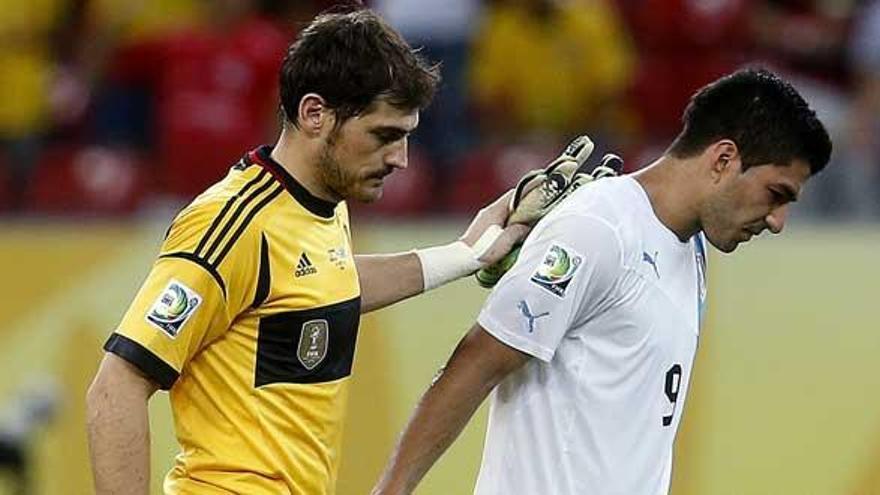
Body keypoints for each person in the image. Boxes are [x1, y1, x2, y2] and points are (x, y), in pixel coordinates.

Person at [85, 8, 527, 495]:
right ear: (315, 114)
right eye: (384, 136)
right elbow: (117, 385)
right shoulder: (231, 223)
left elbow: (323, 283)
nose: (400, 159)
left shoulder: (322, 205)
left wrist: (467, 254)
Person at [372, 68, 832, 495]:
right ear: (723, 159)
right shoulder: (598, 227)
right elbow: (474, 365)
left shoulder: (689, 248)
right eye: (776, 194)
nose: (778, 221)